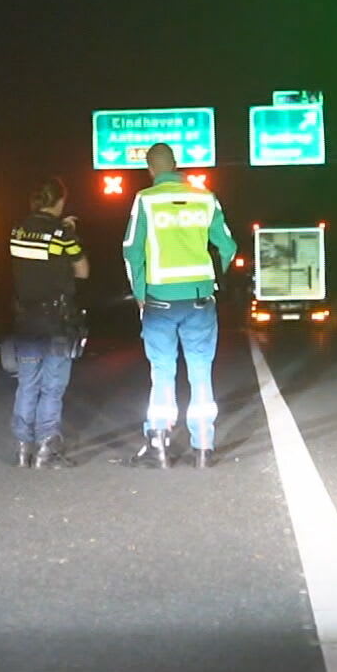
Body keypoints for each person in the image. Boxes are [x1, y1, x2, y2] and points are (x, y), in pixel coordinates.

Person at [122, 143, 237, 469]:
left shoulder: (145, 200)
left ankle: (158, 444)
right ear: (176, 165)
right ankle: (203, 447)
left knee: (162, 373)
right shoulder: (205, 198)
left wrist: (140, 291)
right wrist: (213, 278)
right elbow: (227, 246)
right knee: (201, 373)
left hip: (159, 300)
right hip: (200, 300)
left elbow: (131, 251)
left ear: (151, 169)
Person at [7, 176, 89, 469]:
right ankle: (45, 449)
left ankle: (21, 448)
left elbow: (35, 257)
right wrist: (68, 231)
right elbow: (82, 271)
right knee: (52, 386)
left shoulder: (17, 230)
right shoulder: (62, 234)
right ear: (60, 201)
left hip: (27, 319)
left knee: (27, 383)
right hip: (57, 320)